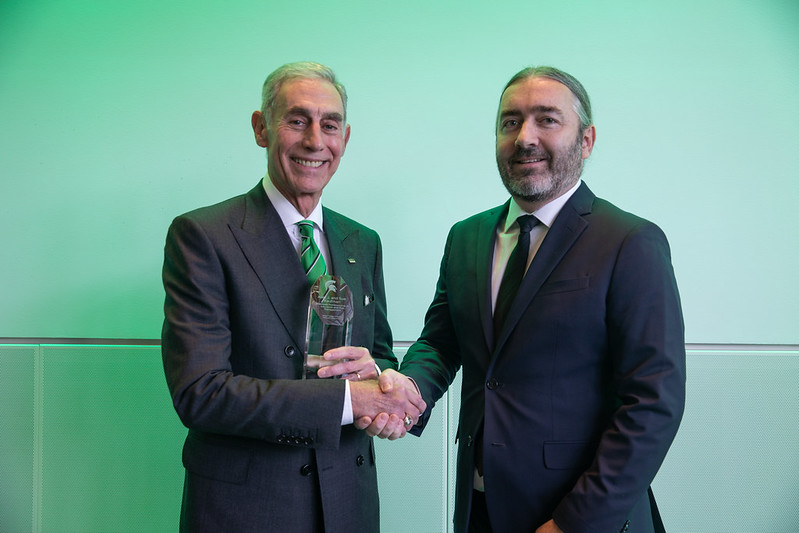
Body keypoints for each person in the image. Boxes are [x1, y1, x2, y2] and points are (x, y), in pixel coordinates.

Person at [360, 66, 686, 532]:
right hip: (480, 510)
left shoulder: (630, 242)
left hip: (581, 516)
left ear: (587, 140)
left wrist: (573, 524)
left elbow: (653, 403)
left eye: (547, 120)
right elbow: (441, 342)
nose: (524, 137)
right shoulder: (466, 237)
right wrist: (409, 391)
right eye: (510, 122)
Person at [161, 61, 424, 533]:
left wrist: (381, 380)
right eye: (297, 120)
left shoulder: (363, 243)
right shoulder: (203, 236)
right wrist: (350, 400)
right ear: (262, 128)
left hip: (349, 504)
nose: (314, 141)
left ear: (346, 137)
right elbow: (200, 393)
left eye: (330, 125)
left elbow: (380, 354)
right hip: (245, 510)